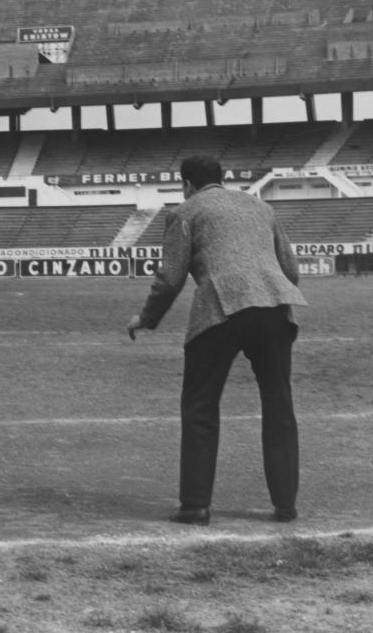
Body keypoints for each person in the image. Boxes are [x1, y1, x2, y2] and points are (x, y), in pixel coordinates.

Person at [127, 155, 307, 526]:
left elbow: (170, 278)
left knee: (200, 407)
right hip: (274, 307)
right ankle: (286, 505)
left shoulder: (185, 211)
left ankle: (195, 506)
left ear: (187, 184)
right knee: (279, 406)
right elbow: (290, 269)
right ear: (221, 179)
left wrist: (146, 318)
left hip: (220, 307)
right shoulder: (260, 206)